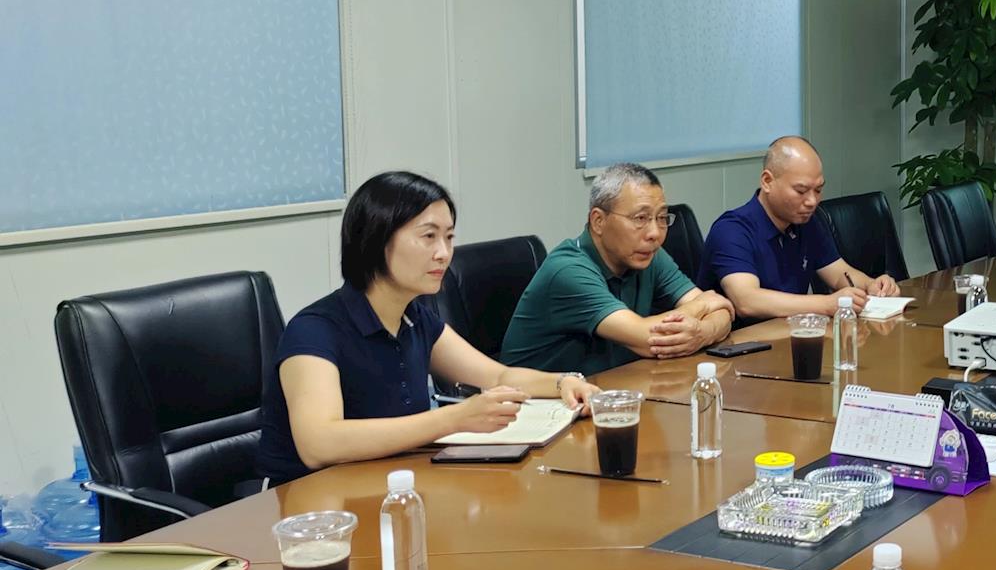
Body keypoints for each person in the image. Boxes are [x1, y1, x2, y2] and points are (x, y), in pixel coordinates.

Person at [256, 172, 598, 485]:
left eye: (448, 237)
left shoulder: (415, 317)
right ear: (376, 240)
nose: (444, 254)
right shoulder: (314, 330)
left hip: (391, 484)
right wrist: (453, 419)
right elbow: (319, 444)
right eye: (429, 236)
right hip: (311, 504)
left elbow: (496, 376)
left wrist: (562, 382)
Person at [500, 164, 735, 374]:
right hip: (538, 403)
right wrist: (704, 304)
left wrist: (704, 332)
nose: (654, 233)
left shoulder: (647, 254)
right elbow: (649, 339)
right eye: (640, 218)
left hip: (610, 389)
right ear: (598, 221)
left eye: (662, 218)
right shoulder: (568, 271)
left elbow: (723, 312)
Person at [700, 137, 901, 320]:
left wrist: (872, 286)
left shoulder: (807, 222)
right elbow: (747, 301)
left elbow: (840, 273)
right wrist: (827, 304)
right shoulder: (732, 230)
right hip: (742, 343)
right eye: (801, 191)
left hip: (791, 334)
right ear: (767, 181)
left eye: (818, 190)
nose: (812, 201)